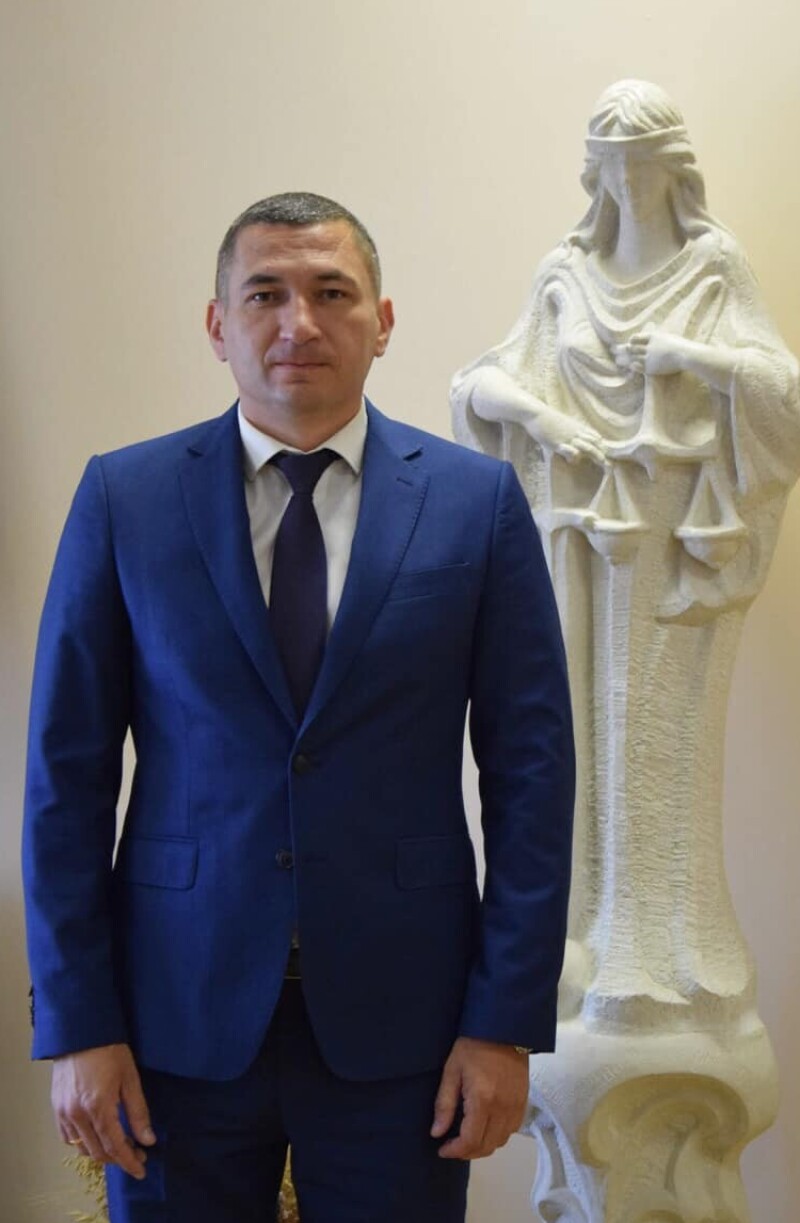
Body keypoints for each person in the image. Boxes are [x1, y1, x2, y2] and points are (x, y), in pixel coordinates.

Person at [23, 192, 575, 1223]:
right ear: (217, 323)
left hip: (406, 1025)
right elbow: (66, 779)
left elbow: (533, 780)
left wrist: (503, 1021)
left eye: (331, 293)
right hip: (171, 1019)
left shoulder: (476, 504)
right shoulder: (125, 499)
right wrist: (78, 1023)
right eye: (265, 294)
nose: (298, 323)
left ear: (382, 320)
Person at [451, 82, 800, 1028]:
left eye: (645, 165)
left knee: (657, 734)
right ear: (594, 174)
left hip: (680, 554)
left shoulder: (712, 268)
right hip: (576, 545)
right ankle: (579, 944)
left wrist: (698, 360)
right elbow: (477, 386)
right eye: (613, 166)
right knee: (568, 730)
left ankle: (678, 950)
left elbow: (782, 393)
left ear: (676, 170)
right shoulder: (562, 277)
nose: (630, 184)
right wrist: (541, 418)